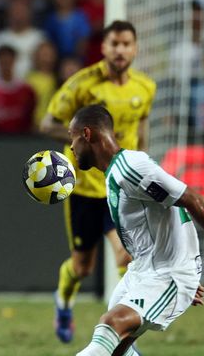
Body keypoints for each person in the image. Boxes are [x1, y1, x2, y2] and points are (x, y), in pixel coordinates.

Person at [68, 104, 204, 356]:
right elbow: (167, 214)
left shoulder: (130, 168)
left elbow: (193, 199)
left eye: (72, 137)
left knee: (111, 325)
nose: (71, 147)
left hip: (166, 274)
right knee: (117, 349)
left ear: (87, 134)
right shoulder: (117, 172)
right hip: (144, 271)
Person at [40, 21, 156, 343]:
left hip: (121, 186)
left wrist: (142, 170)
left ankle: (120, 333)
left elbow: (142, 129)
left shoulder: (145, 87)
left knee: (126, 257)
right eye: (114, 44)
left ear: (135, 48)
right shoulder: (82, 85)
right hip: (84, 187)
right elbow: (47, 123)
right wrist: (88, 139)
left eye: (126, 44)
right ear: (103, 48)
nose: (120, 50)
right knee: (82, 267)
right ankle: (63, 301)